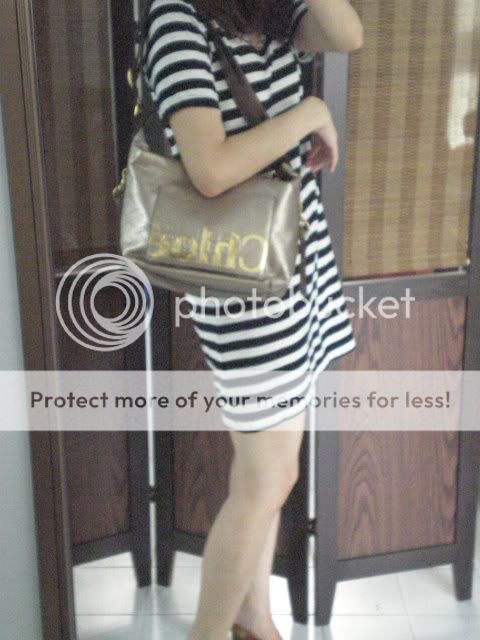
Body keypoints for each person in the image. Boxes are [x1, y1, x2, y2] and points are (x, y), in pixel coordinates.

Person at [143, 0, 363, 637]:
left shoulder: (267, 9)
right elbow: (210, 169)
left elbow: (348, 33)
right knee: (270, 477)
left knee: (262, 469)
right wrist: (309, 113)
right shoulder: (177, 17)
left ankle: (254, 619)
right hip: (245, 280)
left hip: (296, 258)